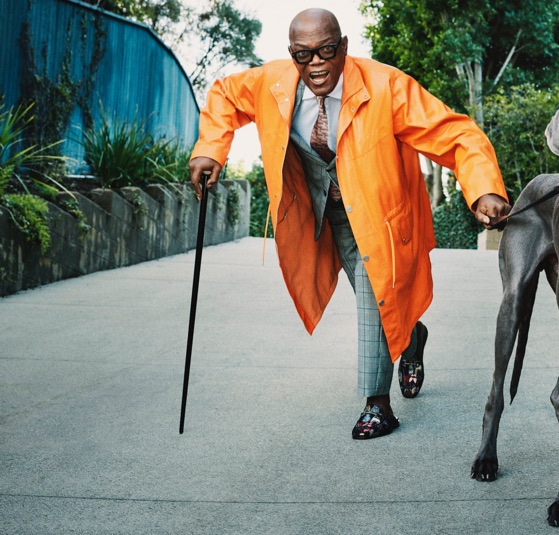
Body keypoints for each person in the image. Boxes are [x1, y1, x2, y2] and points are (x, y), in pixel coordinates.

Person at [189, 8, 510, 439]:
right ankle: (412, 338)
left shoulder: (387, 86)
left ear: (343, 47)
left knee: (375, 294)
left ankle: (377, 405)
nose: (316, 64)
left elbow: (457, 135)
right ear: (291, 54)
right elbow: (226, 94)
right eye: (304, 55)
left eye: (325, 51)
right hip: (324, 214)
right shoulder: (273, 83)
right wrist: (210, 149)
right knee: (380, 300)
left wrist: (484, 189)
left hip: (380, 214)